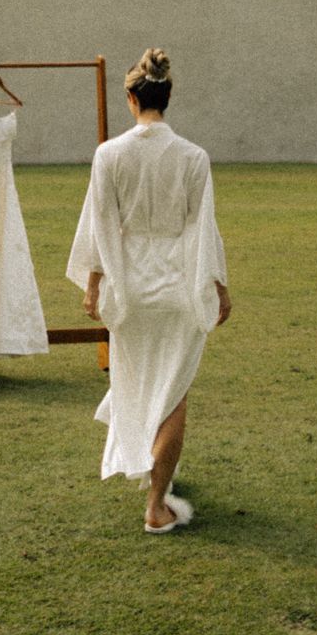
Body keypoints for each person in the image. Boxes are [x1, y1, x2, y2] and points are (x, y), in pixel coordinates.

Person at [66, 47, 231, 532]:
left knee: (140, 383)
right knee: (174, 391)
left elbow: (99, 224)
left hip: (132, 287)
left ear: (131, 99)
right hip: (179, 285)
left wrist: (95, 283)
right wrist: (218, 286)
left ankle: (155, 484)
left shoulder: (109, 155)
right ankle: (157, 500)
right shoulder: (194, 157)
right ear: (168, 95)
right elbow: (205, 228)